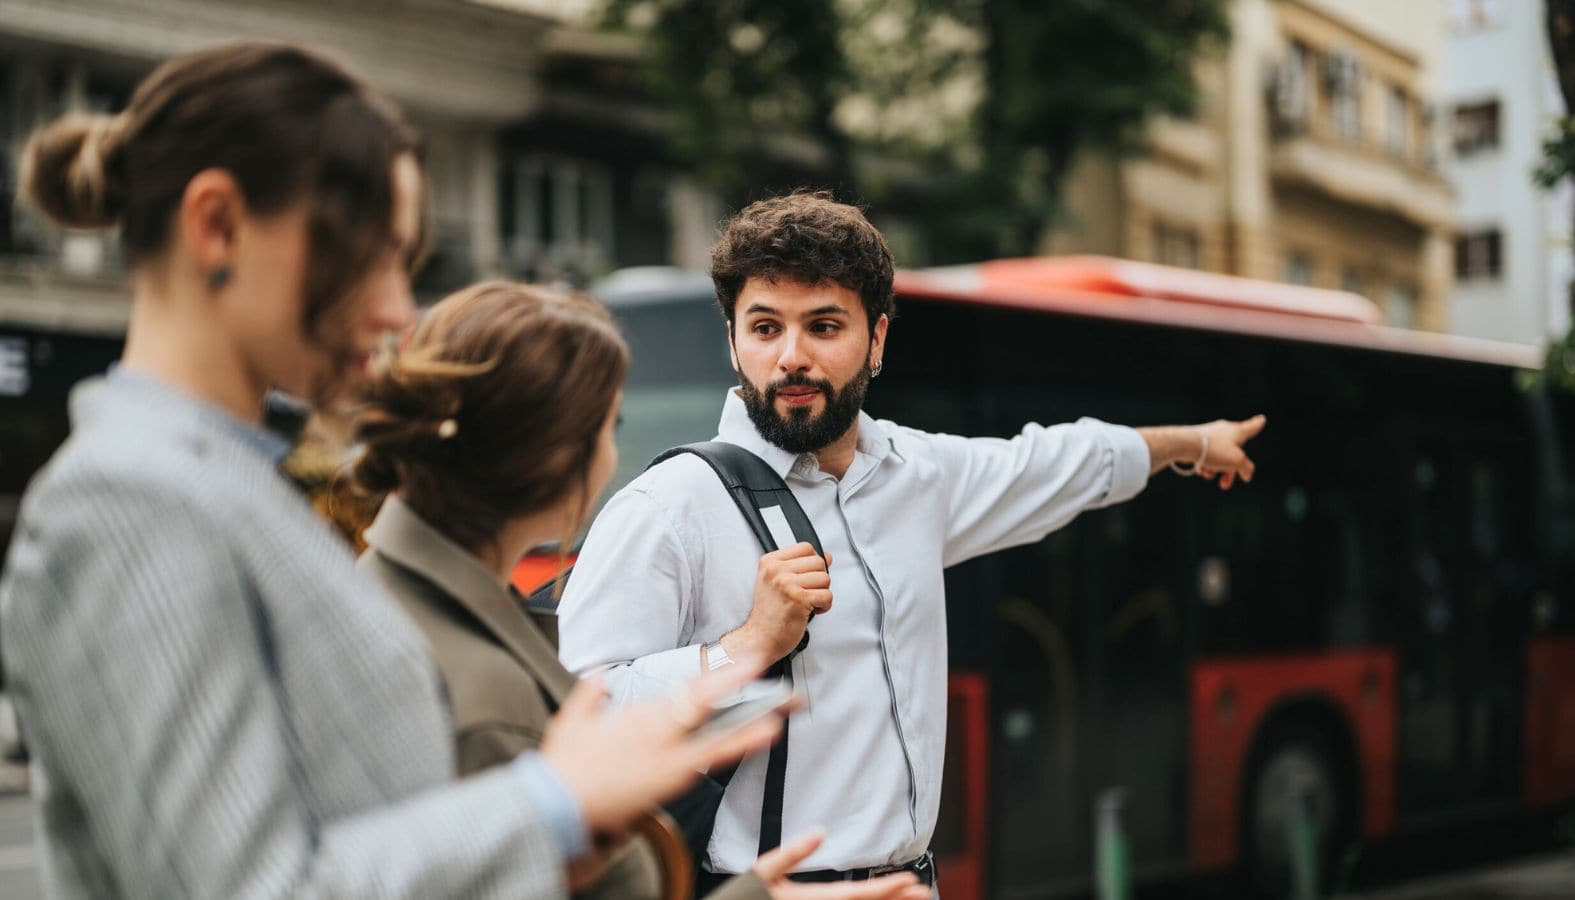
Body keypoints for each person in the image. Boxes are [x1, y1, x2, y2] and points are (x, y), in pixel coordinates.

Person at [0, 42, 781, 899]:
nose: (396, 310)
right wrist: (551, 800)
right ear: (217, 225)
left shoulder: (221, 482)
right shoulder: (133, 501)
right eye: (369, 255)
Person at [558, 191, 1268, 887]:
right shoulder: (670, 506)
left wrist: (1191, 443)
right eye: (766, 327)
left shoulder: (913, 474)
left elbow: (1053, 463)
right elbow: (575, 712)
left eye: (825, 327)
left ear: (878, 340)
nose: (792, 358)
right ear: (735, 340)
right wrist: (743, 648)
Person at [351, 280, 932, 900]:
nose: (614, 456)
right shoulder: (486, 700)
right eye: (610, 427)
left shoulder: (388, 603)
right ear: (555, 462)